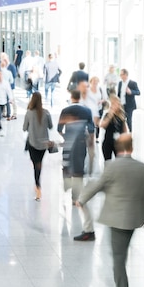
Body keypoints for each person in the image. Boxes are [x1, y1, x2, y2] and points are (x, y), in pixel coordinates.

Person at [77, 134, 144, 287]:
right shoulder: (143, 168)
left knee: (119, 259)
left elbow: (97, 185)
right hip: (134, 219)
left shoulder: (112, 166)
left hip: (117, 220)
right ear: (131, 147)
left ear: (117, 148)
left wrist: (81, 199)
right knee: (122, 256)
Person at [58, 90, 95, 241]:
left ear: (71, 97)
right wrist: (90, 141)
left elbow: (59, 129)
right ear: (80, 97)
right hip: (81, 143)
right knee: (79, 169)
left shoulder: (65, 110)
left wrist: (66, 137)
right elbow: (92, 129)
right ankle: (75, 197)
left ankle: (67, 185)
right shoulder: (87, 110)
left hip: (69, 143)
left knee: (67, 165)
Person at [23, 92, 53, 201]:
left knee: (35, 164)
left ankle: (38, 187)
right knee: (38, 163)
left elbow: (24, 128)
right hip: (43, 144)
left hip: (33, 143)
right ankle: (37, 184)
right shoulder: (46, 113)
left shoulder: (29, 113)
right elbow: (50, 126)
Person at [100, 95, 129, 162]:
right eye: (114, 104)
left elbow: (125, 129)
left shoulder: (122, 115)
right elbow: (102, 125)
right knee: (107, 162)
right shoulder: (107, 114)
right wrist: (110, 114)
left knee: (119, 161)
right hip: (108, 142)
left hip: (119, 143)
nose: (116, 106)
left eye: (118, 104)